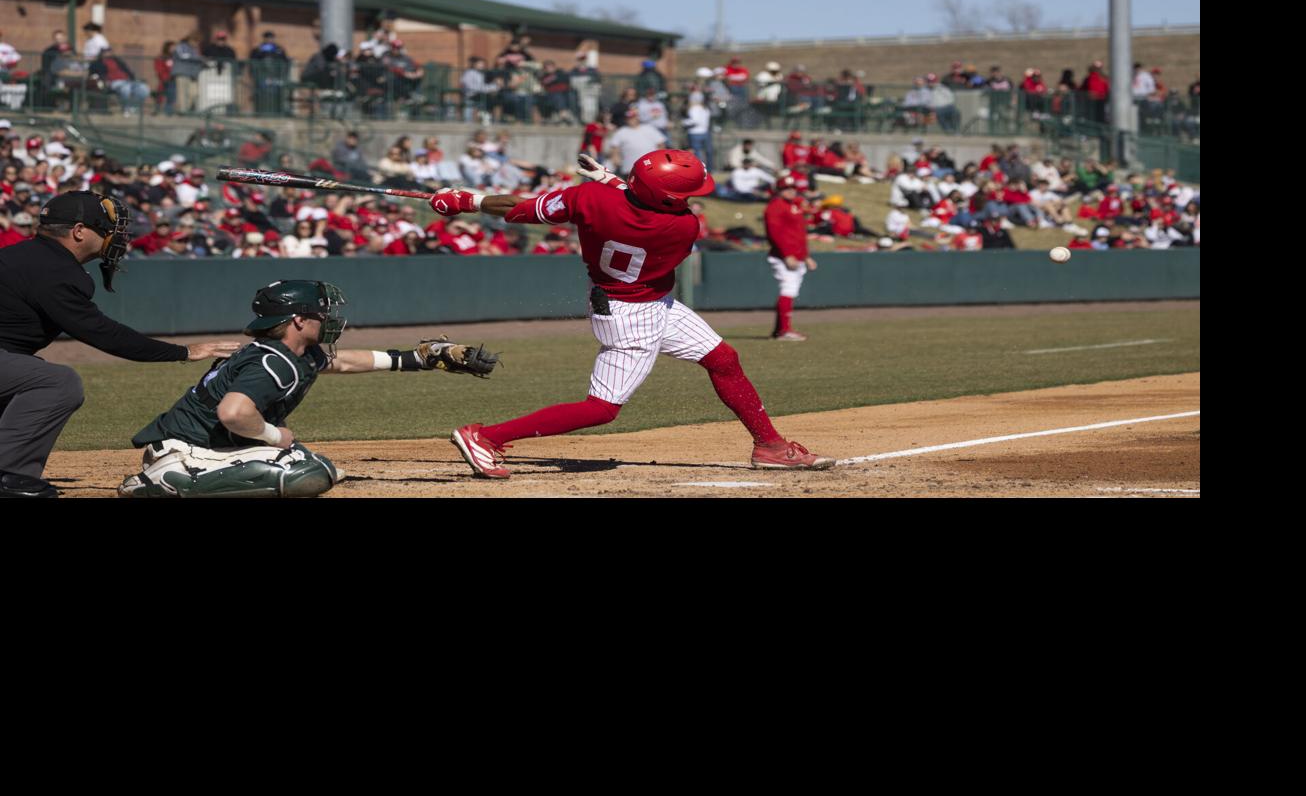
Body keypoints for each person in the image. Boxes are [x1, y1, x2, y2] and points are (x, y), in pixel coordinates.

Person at [427, 149, 834, 476]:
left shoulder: (588, 197)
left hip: (642, 301)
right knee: (602, 409)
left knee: (723, 359)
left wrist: (465, 201)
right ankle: (485, 436)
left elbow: (520, 207)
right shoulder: (683, 227)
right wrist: (614, 182)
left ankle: (770, 446)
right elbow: (647, 208)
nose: (692, 198)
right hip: (633, 315)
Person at [118, 280, 498, 498]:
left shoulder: (292, 353)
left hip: (206, 444)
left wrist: (418, 359)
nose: (328, 318)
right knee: (307, 474)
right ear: (298, 320)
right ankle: (169, 482)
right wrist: (274, 435)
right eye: (321, 312)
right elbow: (233, 412)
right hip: (187, 451)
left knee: (313, 465)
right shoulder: (272, 362)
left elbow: (344, 361)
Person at [0, 192, 238, 498]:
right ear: (79, 231)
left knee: (23, 375)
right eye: (107, 230)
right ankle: (8, 476)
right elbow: (104, 334)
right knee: (56, 383)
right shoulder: (53, 269)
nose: (115, 238)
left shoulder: (29, 256)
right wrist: (185, 351)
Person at [763, 176, 812, 341]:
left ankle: (780, 330)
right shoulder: (775, 206)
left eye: (793, 188)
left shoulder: (793, 205)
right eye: (786, 188)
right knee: (788, 289)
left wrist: (805, 256)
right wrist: (786, 254)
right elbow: (774, 233)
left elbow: (799, 234)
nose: (791, 191)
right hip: (783, 256)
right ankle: (784, 331)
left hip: (796, 255)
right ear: (778, 190)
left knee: (791, 290)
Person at [603, 109, 667, 177]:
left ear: (637, 117)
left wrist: (660, 160)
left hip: (651, 168)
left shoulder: (649, 128)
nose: (631, 120)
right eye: (629, 118)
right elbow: (614, 148)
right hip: (630, 170)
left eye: (633, 117)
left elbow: (661, 144)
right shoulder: (621, 131)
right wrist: (616, 159)